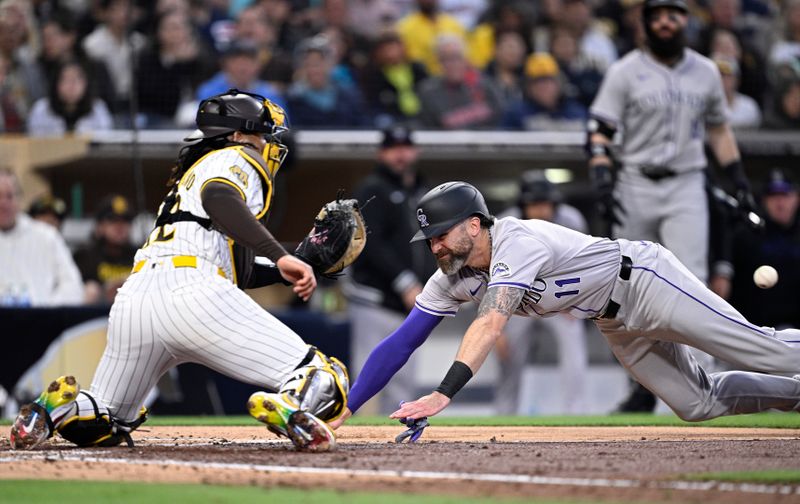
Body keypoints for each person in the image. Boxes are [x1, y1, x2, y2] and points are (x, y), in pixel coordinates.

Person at [9, 90, 349, 452]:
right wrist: (280, 255)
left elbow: (240, 270)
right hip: (193, 293)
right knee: (325, 376)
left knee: (108, 421)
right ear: (237, 135)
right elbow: (220, 198)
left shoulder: (192, 175)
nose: (266, 143)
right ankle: (291, 407)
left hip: (136, 300)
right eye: (261, 134)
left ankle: (53, 412)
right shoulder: (236, 157)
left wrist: (291, 266)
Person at [332, 181, 800, 429]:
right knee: (697, 403)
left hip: (645, 280)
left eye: (441, 234)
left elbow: (490, 325)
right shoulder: (450, 277)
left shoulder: (516, 240)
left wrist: (443, 393)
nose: (434, 246)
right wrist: (349, 405)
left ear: (474, 225)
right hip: (613, 320)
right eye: (429, 238)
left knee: (762, 349)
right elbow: (402, 342)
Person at [586, 0, 755, 412]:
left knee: (692, 282)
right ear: (645, 23)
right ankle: (645, 386)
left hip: (685, 182)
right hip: (635, 181)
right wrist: (603, 179)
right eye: (657, 14)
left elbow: (718, 129)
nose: (665, 21)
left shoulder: (706, 70)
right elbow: (600, 131)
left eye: (673, 13)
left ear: (686, 20)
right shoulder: (625, 70)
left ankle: (709, 385)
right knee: (627, 288)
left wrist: (738, 178)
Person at [344, 125, 437, 414]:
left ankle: (393, 444)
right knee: (369, 374)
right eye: (393, 148)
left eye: (405, 147)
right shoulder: (372, 188)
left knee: (403, 380)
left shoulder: (421, 191)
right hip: (374, 299)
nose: (400, 154)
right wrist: (405, 282)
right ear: (381, 153)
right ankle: (355, 442)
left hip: (409, 304)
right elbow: (370, 242)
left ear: (415, 151)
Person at [494, 171, 589, 415]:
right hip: (516, 299)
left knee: (573, 344)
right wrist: (495, 326)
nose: (541, 210)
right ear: (523, 205)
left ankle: (575, 412)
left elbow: (586, 262)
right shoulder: (504, 225)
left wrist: (578, 300)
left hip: (560, 296)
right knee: (508, 360)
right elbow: (490, 275)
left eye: (545, 203)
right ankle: (504, 415)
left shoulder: (570, 219)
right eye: (534, 204)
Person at [726, 168, 800, 329]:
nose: (780, 203)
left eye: (785, 195)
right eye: (773, 196)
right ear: (764, 200)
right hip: (754, 328)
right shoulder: (746, 234)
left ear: (796, 198)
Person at [0, 169, 82, 307]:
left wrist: (46, 310)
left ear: (20, 199)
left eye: (9, 196)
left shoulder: (47, 236)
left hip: (42, 321)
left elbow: (73, 285)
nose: (3, 203)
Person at [417, 35, 504, 129]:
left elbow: (501, 117)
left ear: (466, 60)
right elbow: (426, 129)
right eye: (446, 59)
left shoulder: (485, 85)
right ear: (439, 63)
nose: (452, 64)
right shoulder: (428, 92)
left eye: (457, 57)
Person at [72, 195, 139, 305]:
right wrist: (104, 291)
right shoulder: (84, 257)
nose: (120, 226)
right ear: (99, 226)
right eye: (113, 220)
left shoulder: (141, 256)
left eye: (126, 220)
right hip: (95, 318)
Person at [502, 52, 587, 131]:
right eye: (537, 82)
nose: (543, 87)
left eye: (548, 80)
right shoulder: (516, 114)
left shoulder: (577, 113)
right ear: (528, 87)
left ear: (559, 84)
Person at [26, 60, 113, 136]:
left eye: (77, 79)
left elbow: (104, 142)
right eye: (66, 80)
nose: (71, 86)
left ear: (86, 83)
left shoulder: (98, 108)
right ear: (56, 83)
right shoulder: (41, 109)